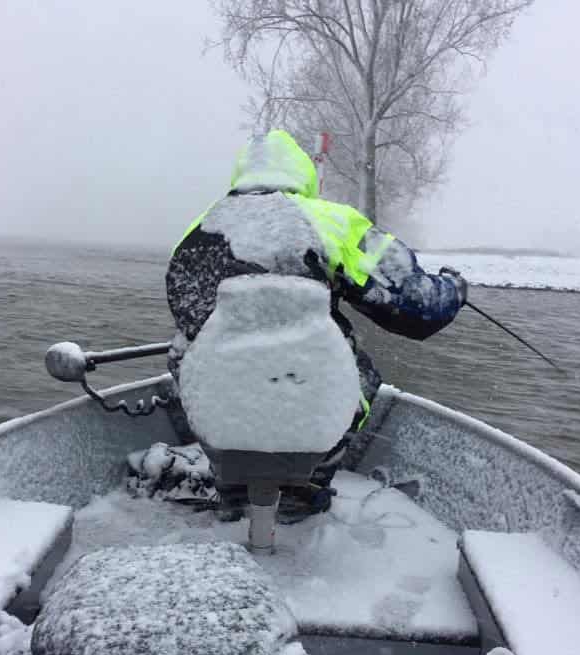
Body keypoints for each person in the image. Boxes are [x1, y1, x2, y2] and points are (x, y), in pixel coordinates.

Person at [165, 129, 466, 519]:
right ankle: (305, 487)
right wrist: (454, 285)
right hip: (309, 398)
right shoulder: (332, 221)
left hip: (219, 403)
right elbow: (419, 309)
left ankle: (235, 485)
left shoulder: (197, 229)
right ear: (303, 174)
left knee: (187, 353)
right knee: (356, 370)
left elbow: (189, 317)